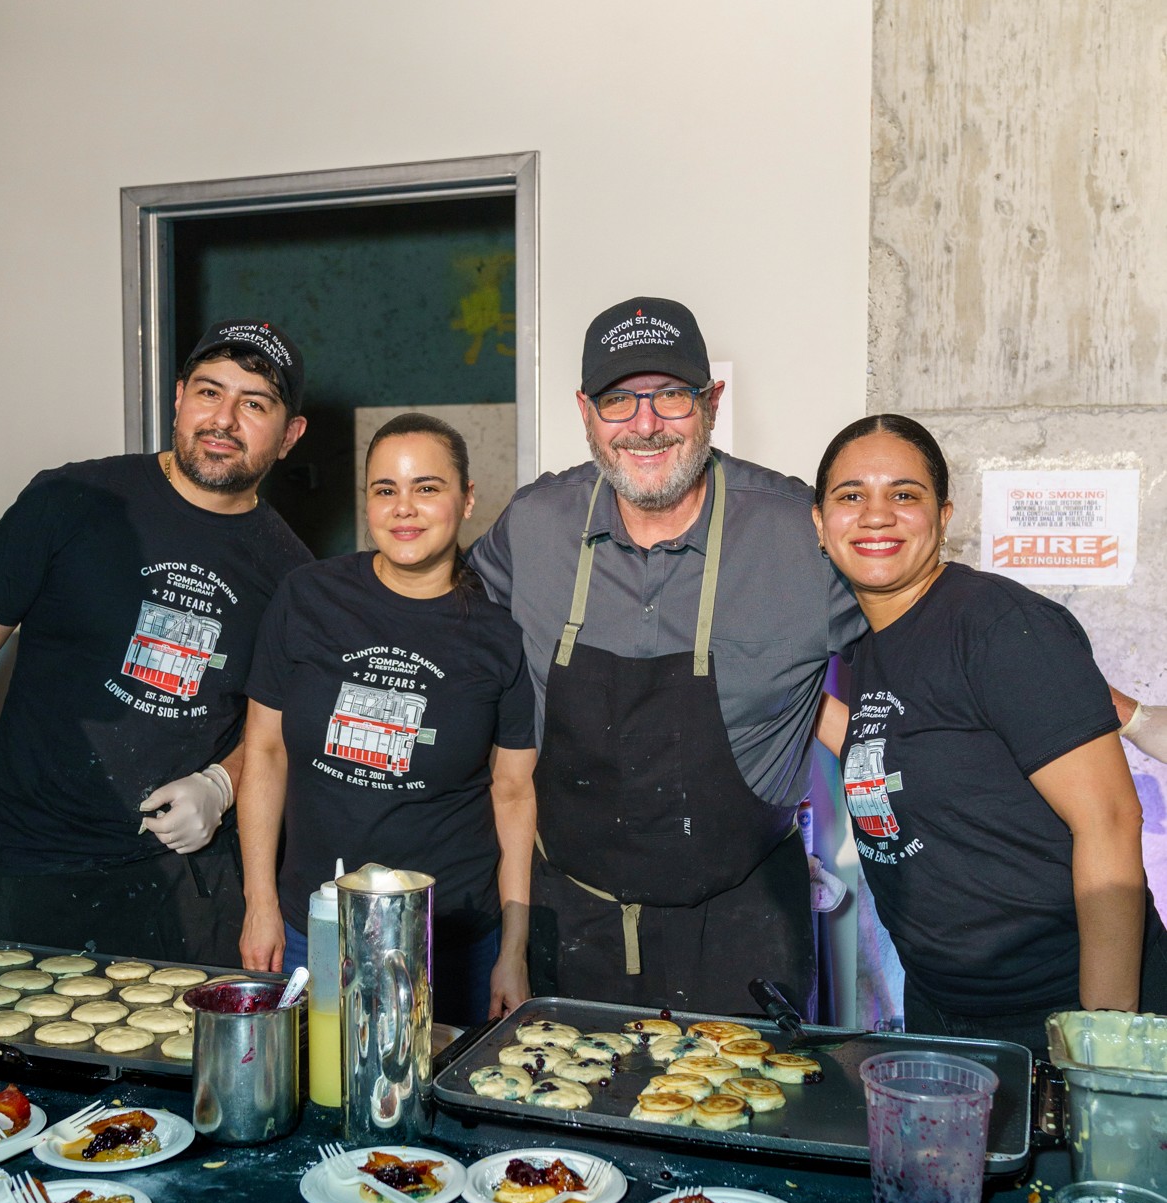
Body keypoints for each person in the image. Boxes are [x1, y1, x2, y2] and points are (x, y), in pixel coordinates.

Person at [0, 320, 312, 963]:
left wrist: (220, 783)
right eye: (209, 392)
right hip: (34, 864)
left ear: (289, 435)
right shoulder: (72, 500)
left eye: (254, 403)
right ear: (178, 398)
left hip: (188, 880)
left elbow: (274, 733)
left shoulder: (293, 576)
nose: (223, 419)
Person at [468, 297, 862, 1014]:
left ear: (711, 403)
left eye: (671, 395)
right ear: (584, 412)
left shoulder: (796, 535)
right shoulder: (534, 528)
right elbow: (448, 643)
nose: (645, 425)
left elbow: (914, 664)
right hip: (569, 922)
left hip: (743, 926)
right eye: (618, 400)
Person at [812, 412, 1167, 1054]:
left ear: (943, 515)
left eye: (904, 494)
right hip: (943, 1007)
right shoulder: (871, 644)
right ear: (820, 522)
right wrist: (783, 694)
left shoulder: (999, 625)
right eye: (851, 496)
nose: (876, 515)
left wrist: (1105, 1038)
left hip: (1061, 1010)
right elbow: (892, 756)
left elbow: (1110, 819)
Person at [238, 413, 537, 1025]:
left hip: (451, 940)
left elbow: (513, 795)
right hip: (314, 930)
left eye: (427, 487)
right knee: (314, 1079)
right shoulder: (307, 597)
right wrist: (259, 902)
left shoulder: (499, 639)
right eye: (385, 489)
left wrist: (513, 950)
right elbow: (265, 751)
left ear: (467, 498)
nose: (404, 508)